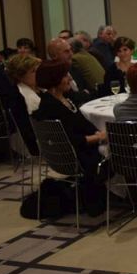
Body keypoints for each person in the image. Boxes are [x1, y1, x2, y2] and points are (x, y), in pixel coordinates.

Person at [31, 59, 107, 215]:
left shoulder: (63, 100)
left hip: (71, 154)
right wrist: (99, 137)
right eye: (65, 75)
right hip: (76, 157)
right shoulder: (51, 107)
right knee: (119, 154)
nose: (70, 78)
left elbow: (82, 125)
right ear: (55, 79)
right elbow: (73, 140)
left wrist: (98, 134)